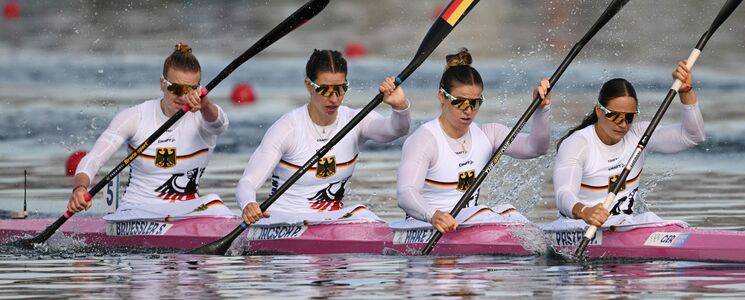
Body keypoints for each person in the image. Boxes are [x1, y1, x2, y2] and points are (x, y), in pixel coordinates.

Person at [237, 49, 410, 224]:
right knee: (360, 213)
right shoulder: (287, 129)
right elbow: (248, 182)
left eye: (341, 89)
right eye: (325, 90)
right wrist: (249, 203)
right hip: (281, 221)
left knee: (361, 212)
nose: (334, 98)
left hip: (329, 222)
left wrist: (400, 107)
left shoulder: (356, 121)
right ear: (308, 85)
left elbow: (396, 130)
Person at [68, 43, 234, 219]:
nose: (182, 96)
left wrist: (206, 105)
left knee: (215, 202)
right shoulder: (135, 117)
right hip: (136, 211)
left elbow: (220, 125)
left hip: (186, 212)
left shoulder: (204, 115)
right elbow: (94, 159)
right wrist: (80, 189)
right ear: (162, 83)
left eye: (190, 90)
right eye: (175, 88)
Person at [396, 48, 552, 233]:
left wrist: (542, 110)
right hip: (426, 226)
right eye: (460, 102)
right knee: (486, 212)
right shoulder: (425, 140)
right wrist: (433, 215)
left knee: (510, 212)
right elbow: (406, 194)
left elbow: (536, 148)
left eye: (475, 103)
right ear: (442, 97)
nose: (468, 110)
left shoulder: (490, 134)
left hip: (468, 223)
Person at [553, 60, 705, 227]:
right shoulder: (578, 144)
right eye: (615, 116)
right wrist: (584, 211)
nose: (623, 124)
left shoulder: (641, 135)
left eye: (629, 117)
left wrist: (686, 93)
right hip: (578, 227)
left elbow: (693, 136)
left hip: (625, 226)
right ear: (599, 110)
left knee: (650, 218)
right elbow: (563, 193)